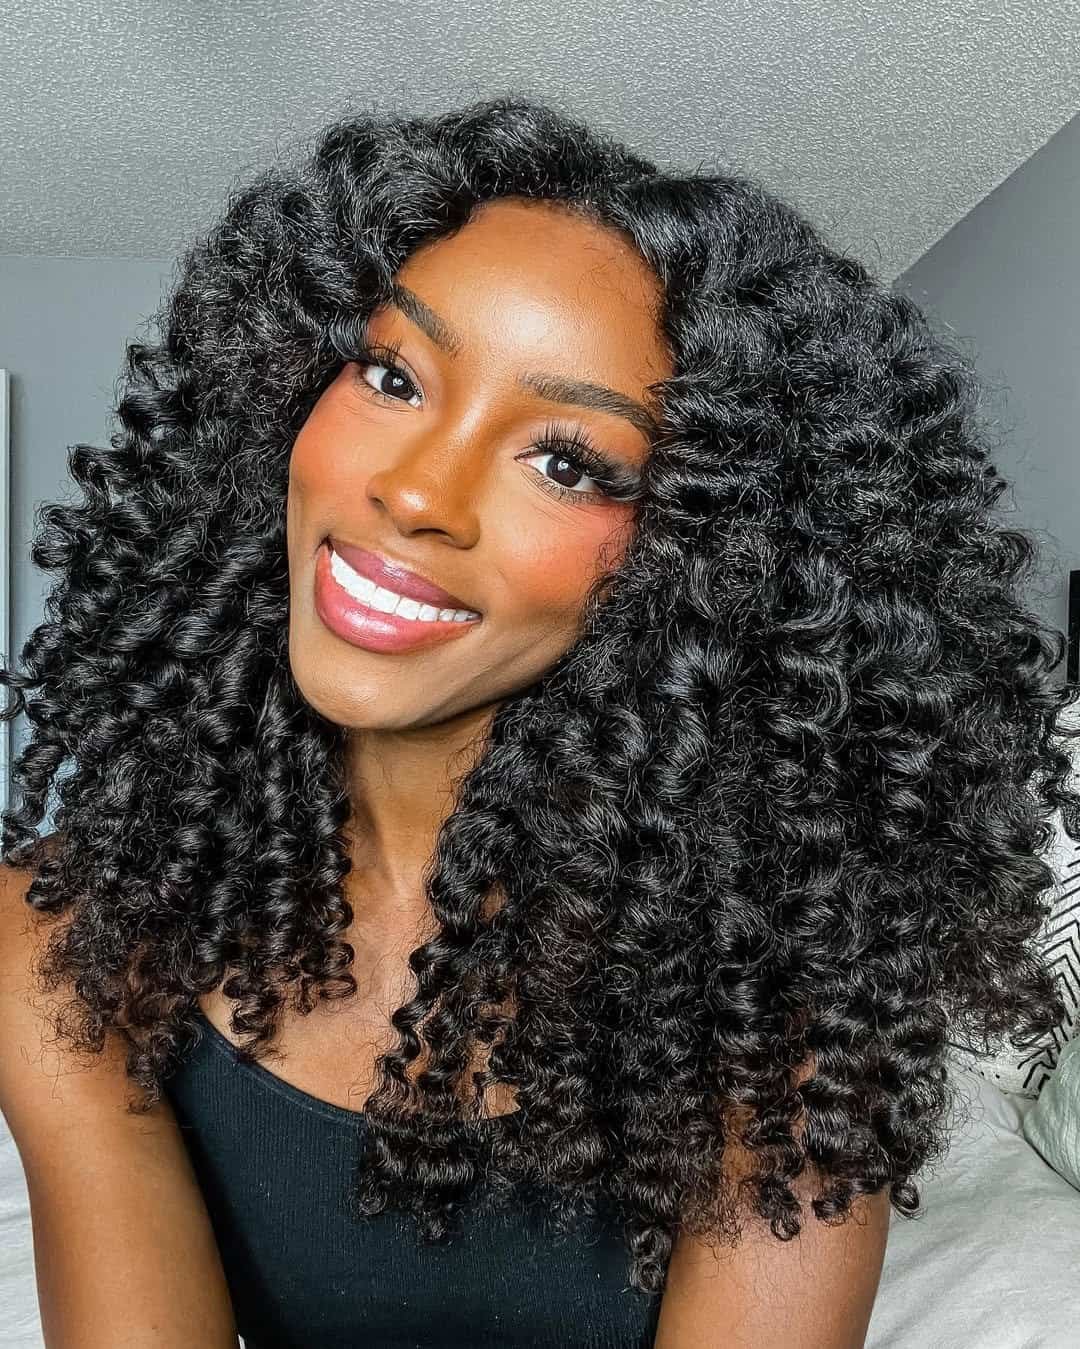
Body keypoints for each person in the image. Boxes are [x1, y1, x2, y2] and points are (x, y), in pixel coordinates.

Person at [1, 94, 1077, 1349]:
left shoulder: (780, 1019)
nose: (418, 490)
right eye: (393, 374)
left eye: (567, 461)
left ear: (700, 561)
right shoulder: (60, 930)